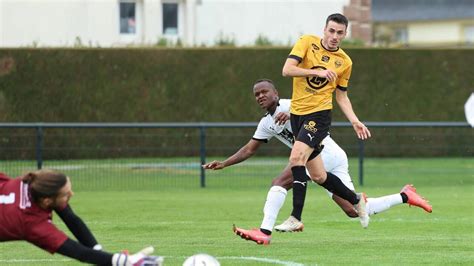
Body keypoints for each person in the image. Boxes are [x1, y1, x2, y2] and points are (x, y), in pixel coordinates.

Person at [203, 79, 432, 245]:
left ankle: (265, 231)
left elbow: (316, 112)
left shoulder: (292, 103)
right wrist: (224, 163)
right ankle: (405, 196)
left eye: (265, 92)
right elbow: (249, 149)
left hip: (326, 152)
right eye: (257, 95)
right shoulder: (266, 124)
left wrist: (293, 114)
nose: (261, 96)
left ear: (276, 93)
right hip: (326, 158)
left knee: (280, 182)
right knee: (353, 211)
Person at [282, 13, 371, 228]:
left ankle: (296, 218)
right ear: (324, 29)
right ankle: (357, 199)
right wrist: (319, 73)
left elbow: (341, 95)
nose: (334, 36)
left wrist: (354, 120)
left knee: (296, 159)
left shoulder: (345, 62)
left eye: (339, 33)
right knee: (319, 175)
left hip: (319, 115)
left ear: (345, 34)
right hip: (298, 114)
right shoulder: (306, 42)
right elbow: (287, 70)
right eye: (331, 31)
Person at [0, 169, 163, 266]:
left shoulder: (29, 184)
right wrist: (122, 261)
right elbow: (77, 252)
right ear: (47, 201)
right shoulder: (30, 222)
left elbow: (71, 219)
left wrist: (101, 254)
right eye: (66, 194)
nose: (72, 194)